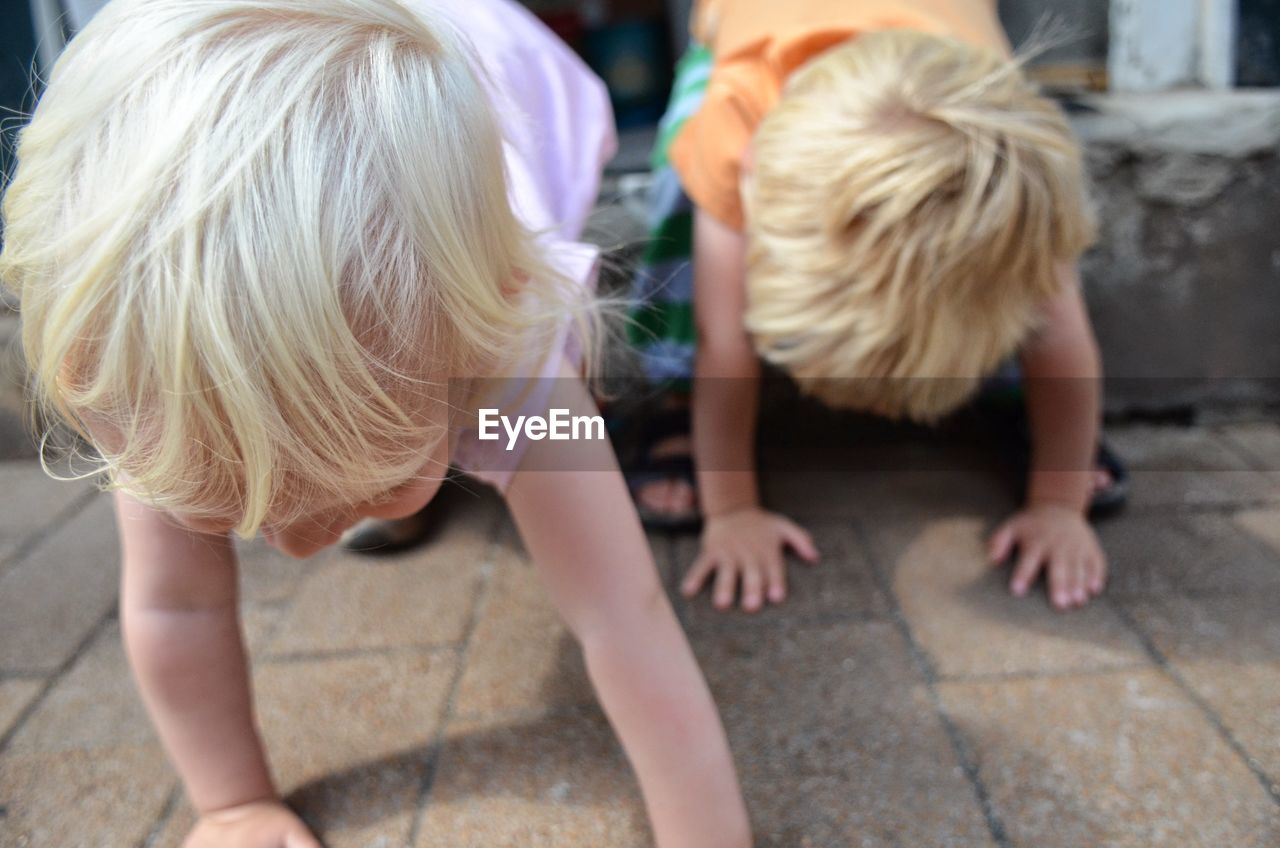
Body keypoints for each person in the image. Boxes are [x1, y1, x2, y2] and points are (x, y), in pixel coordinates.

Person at [0, 1, 751, 845]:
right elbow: (176, 606)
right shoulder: (146, 379)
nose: (293, 546)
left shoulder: (509, 352)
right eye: (227, 508)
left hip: (518, 75)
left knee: (558, 455)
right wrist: (231, 803)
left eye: (380, 479)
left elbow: (625, 613)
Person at [627, 0, 1122, 612]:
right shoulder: (737, 117)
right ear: (758, 172)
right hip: (747, 42)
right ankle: (674, 396)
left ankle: (1024, 406)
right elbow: (722, 341)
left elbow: (1064, 340)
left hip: (951, 59)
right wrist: (732, 510)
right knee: (691, 188)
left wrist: (1058, 503)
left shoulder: (1012, 177)